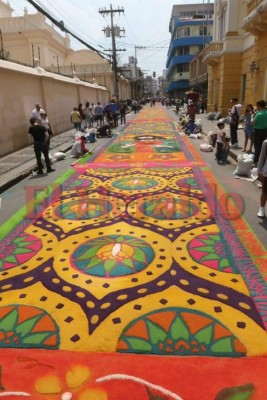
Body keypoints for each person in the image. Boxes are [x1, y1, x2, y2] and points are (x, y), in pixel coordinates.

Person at [251, 100, 267, 165]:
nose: (256, 107)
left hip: (258, 132)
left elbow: (252, 123)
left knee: (257, 146)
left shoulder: (259, 114)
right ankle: (262, 160)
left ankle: (256, 160)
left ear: (259, 106)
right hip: (265, 131)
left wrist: (252, 116)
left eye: (257, 106)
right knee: (263, 146)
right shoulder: (266, 112)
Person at [257, 139, 267, 218]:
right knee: (265, 191)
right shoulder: (266, 142)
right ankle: (262, 209)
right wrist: (259, 170)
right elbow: (262, 156)